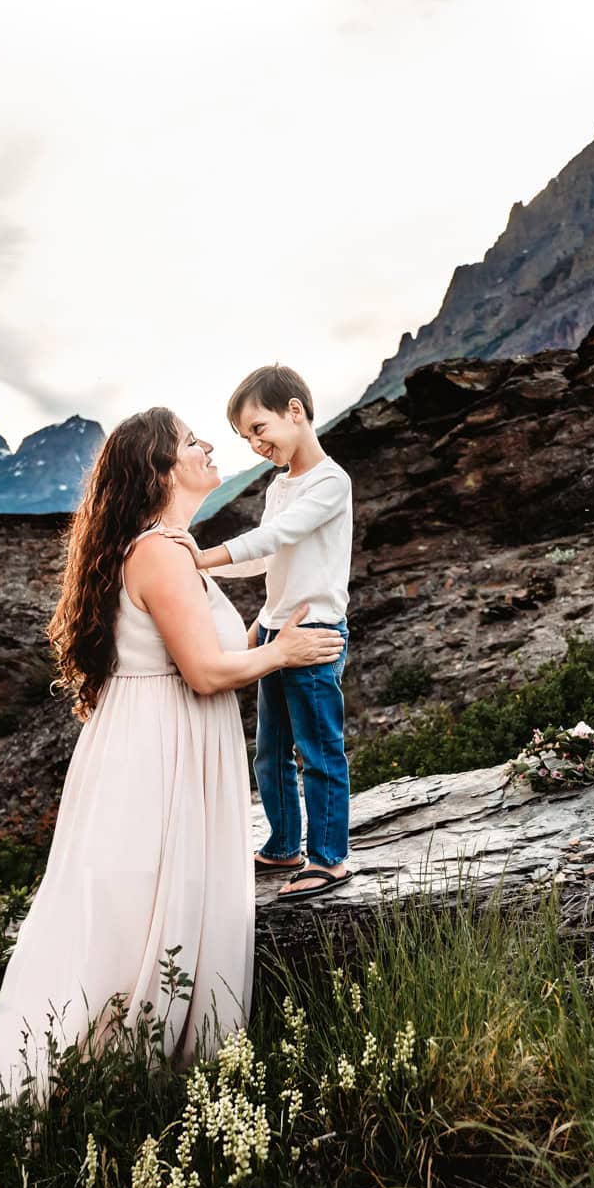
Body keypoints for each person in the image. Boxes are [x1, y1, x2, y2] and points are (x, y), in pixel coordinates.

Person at [0, 407, 343, 1107]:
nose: (208, 446)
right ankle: (132, 1080)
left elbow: (208, 646)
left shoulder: (165, 547)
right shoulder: (160, 552)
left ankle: (129, 1075)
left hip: (154, 734)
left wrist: (278, 622)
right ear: (160, 470)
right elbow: (203, 671)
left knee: (140, 903)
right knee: (148, 906)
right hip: (161, 744)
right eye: (190, 442)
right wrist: (285, 653)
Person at [175, 365, 355, 901]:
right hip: (277, 630)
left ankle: (329, 859)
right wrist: (202, 571)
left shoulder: (330, 481)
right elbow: (269, 557)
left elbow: (278, 534)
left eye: (259, 428)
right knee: (270, 749)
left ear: (294, 412)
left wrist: (206, 553)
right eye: (246, 437)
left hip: (315, 633)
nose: (255, 444)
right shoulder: (281, 485)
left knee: (318, 750)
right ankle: (283, 845)